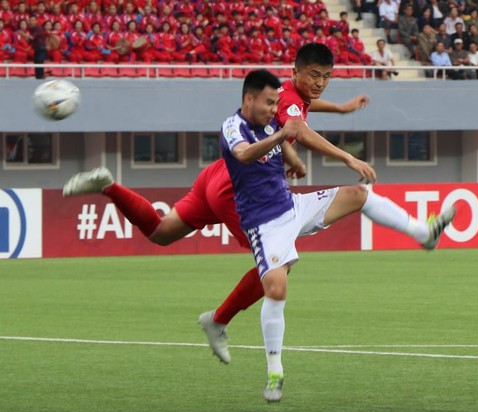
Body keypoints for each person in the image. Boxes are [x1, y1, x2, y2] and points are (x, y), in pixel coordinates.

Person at [63, 43, 374, 365]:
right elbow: (302, 130)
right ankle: (218, 320)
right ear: (297, 72)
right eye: (315, 76)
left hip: (217, 176)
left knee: (160, 231)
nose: (321, 82)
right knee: (278, 265)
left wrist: (341, 109)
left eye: (326, 77)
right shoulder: (291, 103)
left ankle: (109, 186)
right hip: (239, 190)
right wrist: (348, 157)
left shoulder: (285, 91)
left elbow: (304, 107)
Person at [218, 66, 456, 403]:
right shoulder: (233, 126)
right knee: (276, 287)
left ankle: (423, 232)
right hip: (263, 223)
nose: (274, 109)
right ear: (249, 98)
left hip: (293, 206)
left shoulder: (273, 118)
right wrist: (283, 137)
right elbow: (244, 154)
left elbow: (287, 132)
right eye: (269, 103)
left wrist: (294, 159)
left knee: (359, 195)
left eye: (276, 104)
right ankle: (275, 371)